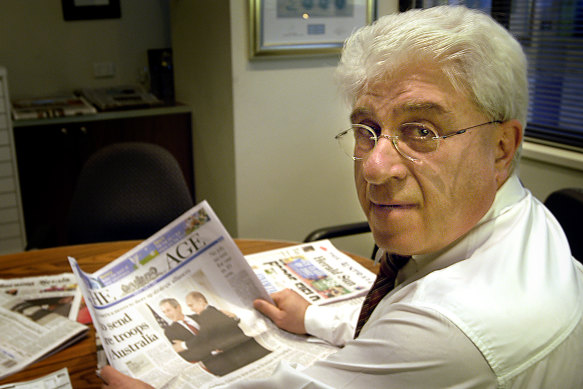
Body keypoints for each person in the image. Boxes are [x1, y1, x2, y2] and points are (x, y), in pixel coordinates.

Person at [100, 5, 583, 388]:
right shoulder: (525, 219)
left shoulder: (453, 326)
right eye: (366, 129)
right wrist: (313, 317)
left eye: (422, 130)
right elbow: (402, 316)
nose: (374, 166)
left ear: (502, 148)